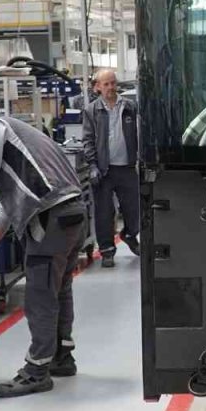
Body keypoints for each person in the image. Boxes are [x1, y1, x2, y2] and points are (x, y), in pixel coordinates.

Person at [0, 115, 88, 397]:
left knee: (40, 297)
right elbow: (9, 207)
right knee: (59, 289)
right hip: (73, 214)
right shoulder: (22, 139)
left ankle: (36, 372)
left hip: (50, 219)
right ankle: (62, 357)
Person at [81, 68, 142, 267]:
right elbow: (88, 140)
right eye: (106, 84)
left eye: (113, 83)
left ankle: (130, 234)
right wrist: (92, 165)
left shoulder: (130, 107)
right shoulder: (92, 110)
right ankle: (107, 250)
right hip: (103, 170)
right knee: (104, 213)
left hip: (127, 167)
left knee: (134, 209)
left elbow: (140, 134)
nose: (111, 87)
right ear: (98, 87)